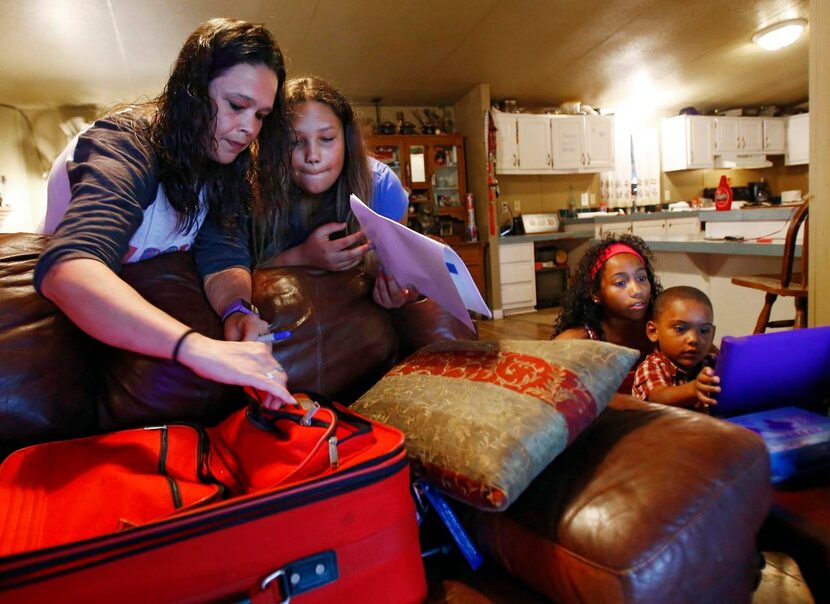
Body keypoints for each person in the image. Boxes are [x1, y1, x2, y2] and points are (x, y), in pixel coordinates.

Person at [34, 18, 295, 408]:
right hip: (60, 341)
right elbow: (69, 268)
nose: (249, 128)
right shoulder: (124, 144)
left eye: (261, 115)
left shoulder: (223, 167)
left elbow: (223, 257)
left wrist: (237, 311)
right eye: (237, 105)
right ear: (191, 93)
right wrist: (202, 351)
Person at [251, 76, 418, 308]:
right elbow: (230, 270)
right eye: (294, 142)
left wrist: (399, 292)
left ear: (347, 141)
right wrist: (303, 256)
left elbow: (404, 272)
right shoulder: (253, 187)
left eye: (327, 139)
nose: (313, 156)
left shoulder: (381, 186)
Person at [632, 286, 720, 411]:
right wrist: (693, 390)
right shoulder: (651, 366)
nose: (693, 339)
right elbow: (657, 397)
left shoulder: (713, 363)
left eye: (704, 330)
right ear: (653, 331)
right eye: (680, 329)